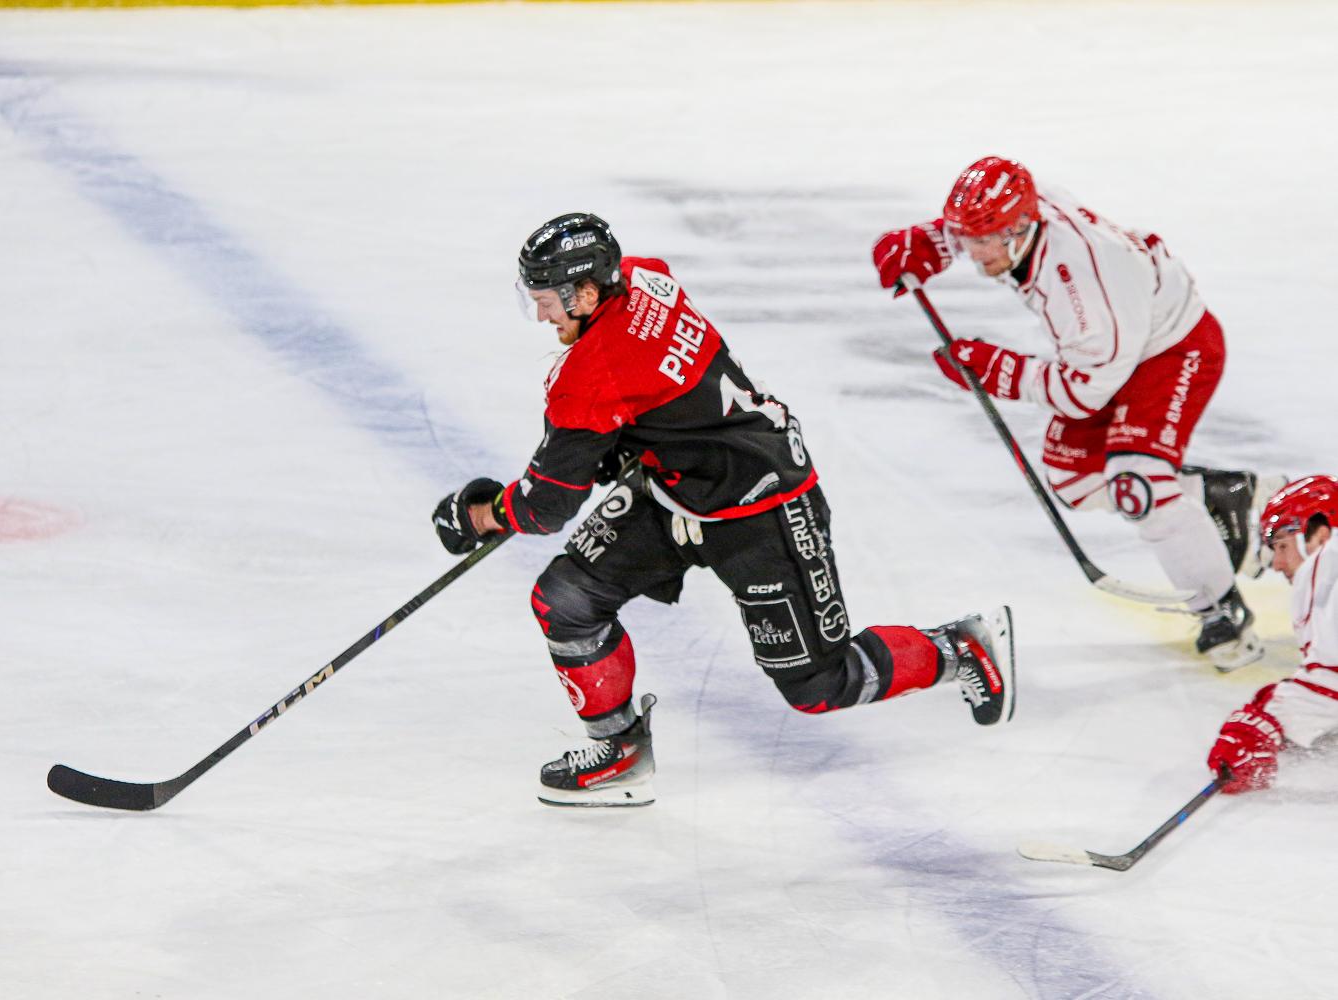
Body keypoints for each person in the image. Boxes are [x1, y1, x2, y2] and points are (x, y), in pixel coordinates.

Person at [432, 212, 1017, 807]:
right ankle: (619, 752)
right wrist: (624, 442)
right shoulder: (645, 276)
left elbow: (547, 506)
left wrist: (481, 513)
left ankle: (959, 647)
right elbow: (657, 386)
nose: (541, 316)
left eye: (546, 301)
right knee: (567, 600)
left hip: (764, 505)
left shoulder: (590, 374)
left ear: (584, 293)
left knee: (818, 683)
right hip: (676, 489)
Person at [873, 156, 1275, 670]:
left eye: (983, 240)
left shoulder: (1083, 285)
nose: (974, 252)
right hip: (1121, 347)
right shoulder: (1027, 215)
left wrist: (1000, 370)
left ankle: (1220, 607)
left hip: (1174, 351)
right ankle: (1225, 495)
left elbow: (1083, 393)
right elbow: (984, 221)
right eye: (967, 237)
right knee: (1074, 478)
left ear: (1020, 228)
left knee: (1138, 484)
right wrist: (933, 240)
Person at [1206, 476, 1338, 793]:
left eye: (1282, 545)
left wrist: (1259, 728)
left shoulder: (1329, 564)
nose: (1277, 564)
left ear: (1321, 534)